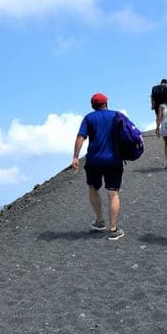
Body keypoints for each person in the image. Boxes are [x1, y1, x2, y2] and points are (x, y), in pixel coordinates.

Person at [72, 93, 125, 240]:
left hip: (94, 160)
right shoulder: (116, 115)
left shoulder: (89, 118)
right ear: (106, 103)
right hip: (114, 160)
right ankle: (113, 229)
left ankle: (100, 221)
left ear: (92, 106)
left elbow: (80, 137)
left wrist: (75, 157)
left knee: (93, 188)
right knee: (113, 193)